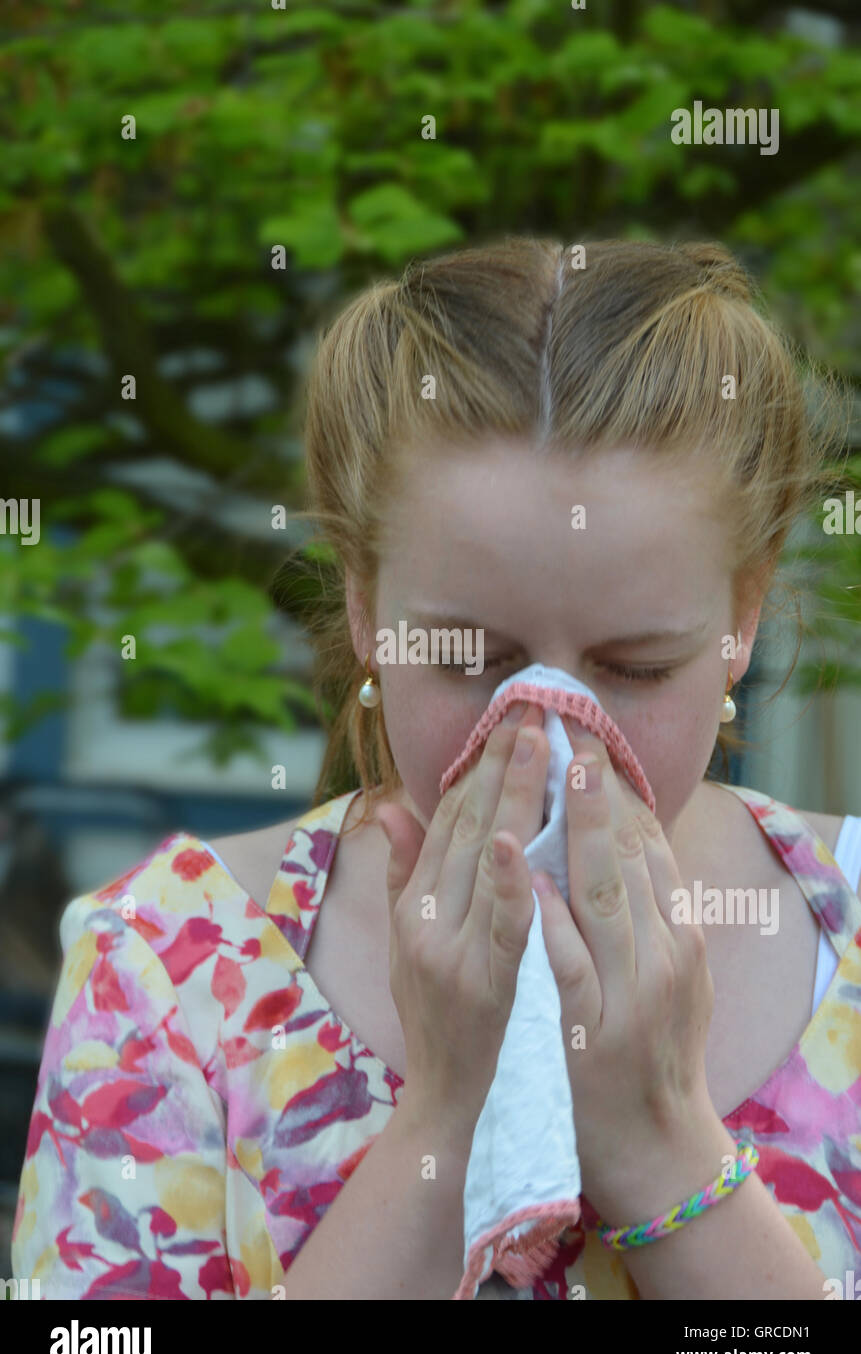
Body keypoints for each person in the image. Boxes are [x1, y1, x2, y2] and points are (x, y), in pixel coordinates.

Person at [11, 237, 861, 1300]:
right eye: (471, 658)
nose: (553, 739)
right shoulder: (167, 978)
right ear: (365, 603)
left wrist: (663, 1148)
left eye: (635, 666)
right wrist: (448, 1120)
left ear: (743, 616)